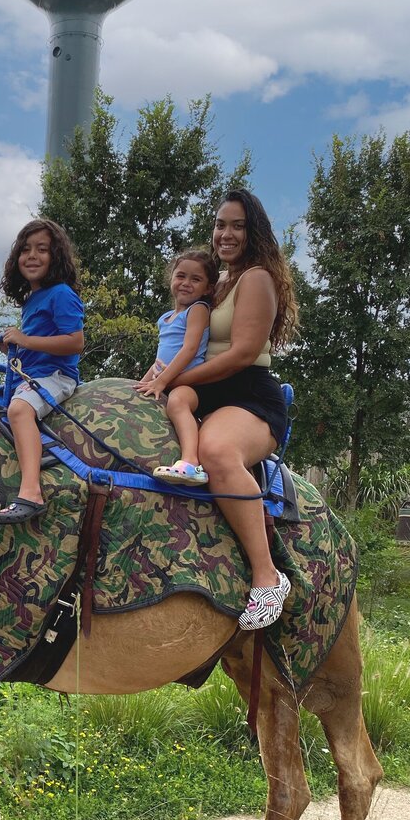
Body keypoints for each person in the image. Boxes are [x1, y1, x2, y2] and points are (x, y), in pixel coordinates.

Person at [164, 189, 299, 629]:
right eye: (221, 224)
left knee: (218, 452)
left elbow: (242, 353)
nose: (226, 233)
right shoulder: (215, 282)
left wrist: (175, 380)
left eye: (237, 225)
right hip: (209, 388)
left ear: (253, 231)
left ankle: (267, 577)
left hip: (249, 394)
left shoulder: (256, 278)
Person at [0, 218, 85, 526]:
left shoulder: (61, 293)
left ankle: (31, 493)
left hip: (57, 376)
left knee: (19, 411)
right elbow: (34, 347)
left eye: (42, 249)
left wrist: (25, 339)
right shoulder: (32, 299)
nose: (32, 256)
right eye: (26, 249)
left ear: (55, 256)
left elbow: (75, 342)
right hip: (32, 374)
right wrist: (9, 346)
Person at [134, 247, 219, 486]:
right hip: (168, 377)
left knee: (178, 401)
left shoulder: (198, 310)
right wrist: (143, 382)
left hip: (190, 382)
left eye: (196, 279)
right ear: (171, 278)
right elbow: (159, 362)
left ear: (208, 288)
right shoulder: (165, 318)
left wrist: (162, 381)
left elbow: (189, 349)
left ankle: (190, 462)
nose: (186, 283)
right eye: (181, 276)